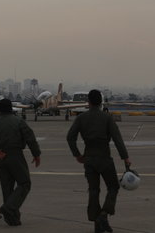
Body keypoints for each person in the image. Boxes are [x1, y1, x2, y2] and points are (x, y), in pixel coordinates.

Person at [67, 89, 131, 233]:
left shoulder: (81, 118)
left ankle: (97, 223)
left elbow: (70, 137)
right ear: (101, 102)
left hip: (88, 158)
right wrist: (125, 157)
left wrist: (77, 155)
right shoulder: (107, 118)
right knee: (113, 187)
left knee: (94, 190)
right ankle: (103, 215)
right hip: (104, 157)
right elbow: (117, 139)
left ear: (88, 102)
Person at [0, 99, 41, 226]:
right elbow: (30, 138)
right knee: (24, 183)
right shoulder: (18, 121)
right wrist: (36, 154)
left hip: (1, 157)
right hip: (15, 155)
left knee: (7, 188)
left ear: (0, 109)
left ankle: (12, 218)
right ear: (11, 108)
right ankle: (9, 207)